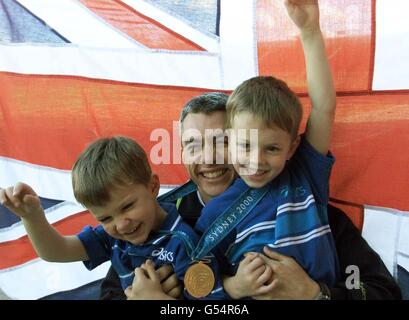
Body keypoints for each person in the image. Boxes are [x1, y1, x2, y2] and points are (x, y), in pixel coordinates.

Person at [102, 91, 401, 300]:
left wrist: (315, 294)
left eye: (223, 141)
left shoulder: (302, 207)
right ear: (181, 153)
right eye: (193, 145)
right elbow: (111, 292)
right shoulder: (154, 222)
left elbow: (381, 291)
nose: (208, 157)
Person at [195, 0, 338, 299]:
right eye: (245, 145)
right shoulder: (215, 213)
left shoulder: (304, 174)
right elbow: (198, 284)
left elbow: (323, 107)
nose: (255, 160)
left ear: (292, 147)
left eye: (271, 148)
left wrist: (309, 31)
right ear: (229, 140)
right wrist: (235, 287)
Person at [0, 136, 225, 300]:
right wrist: (32, 216)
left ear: (153, 187)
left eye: (127, 206)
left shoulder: (184, 244)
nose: (121, 224)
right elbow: (56, 251)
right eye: (105, 218)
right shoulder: (114, 239)